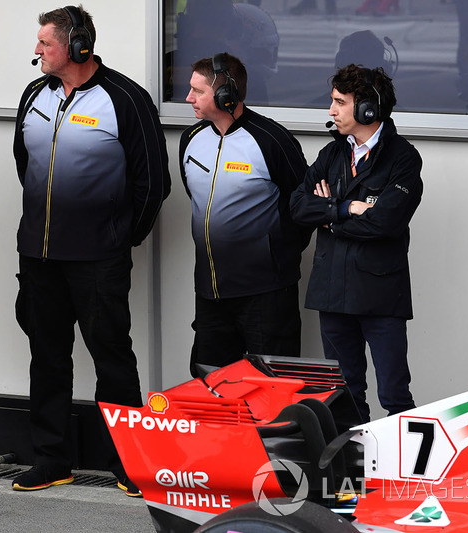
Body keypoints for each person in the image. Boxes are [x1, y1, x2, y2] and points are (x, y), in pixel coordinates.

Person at [13, 5, 170, 496]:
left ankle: (129, 464)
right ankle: (51, 460)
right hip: (39, 256)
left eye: (46, 42)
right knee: (47, 358)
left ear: (77, 45)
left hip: (98, 260)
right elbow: (25, 164)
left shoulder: (126, 98)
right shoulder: (34, 94)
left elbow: (153, 183)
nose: (37, 50)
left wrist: (120, 238)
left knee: (112, 359)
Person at [290, 64, 423, 423]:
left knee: (394, 394)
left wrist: (328, 217)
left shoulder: (403, 158)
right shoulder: (332, 154)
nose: (331, 110)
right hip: (331, 292)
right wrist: (346, 208)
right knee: (343, 395)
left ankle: (403, 461)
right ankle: (354, 459)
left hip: (380, 295)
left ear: (367, 108)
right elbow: (298, 207)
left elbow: (385, 223)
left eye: (339, 102)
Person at [180, 53, 309, 378]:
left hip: (265, 294)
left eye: (198, 91)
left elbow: (303, 206)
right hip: (210, 293)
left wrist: (274, 254)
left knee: (274, 388)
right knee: (211, 386)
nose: (188, 98)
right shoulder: (191, 140)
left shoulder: (272, 141)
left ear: (227, 95)